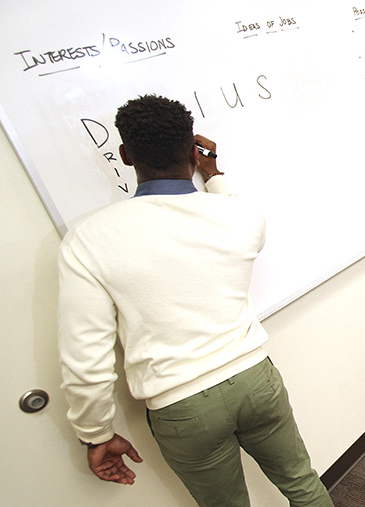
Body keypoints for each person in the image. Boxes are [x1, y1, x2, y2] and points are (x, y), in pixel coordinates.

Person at [58, 94, 333, 507]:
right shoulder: (241, 217)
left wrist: (95, 433)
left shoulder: (88, 240)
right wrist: (214, 174)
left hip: (181, 405)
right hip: (255, 379)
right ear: (193, 152)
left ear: (126, 156)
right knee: (302, 485)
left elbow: (85, 357)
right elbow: (233, 209)